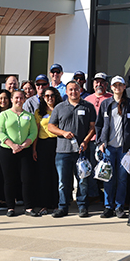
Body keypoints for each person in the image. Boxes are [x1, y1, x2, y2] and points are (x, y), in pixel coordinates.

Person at [48, 80, 98, 217]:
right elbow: (50, 126)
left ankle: (82, 206)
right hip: (62, 151)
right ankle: (63, 207)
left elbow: (92, 127)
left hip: (81, 152)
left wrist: (86, 141)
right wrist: (63, 133)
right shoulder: (59, 107)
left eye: (76, 89)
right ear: (67, 91)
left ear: (80, 90)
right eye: (70, 89)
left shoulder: (88, 106)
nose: (73, 92)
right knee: (63, 182)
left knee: (83, 180)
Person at [96, 76, 130, 218]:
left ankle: (119, 207)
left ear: (124, 87)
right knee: (108, 177)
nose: (117, 87)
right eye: (115, 85)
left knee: (122, 179)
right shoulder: (106, 104)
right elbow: (99, 125)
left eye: (120, 85)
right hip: (108, 147)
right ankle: (108, 207)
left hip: (125, 149)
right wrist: (100, 142)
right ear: (111, 87)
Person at [0, 89, 39, 217]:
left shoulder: (29, 116)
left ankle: (28, 207)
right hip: (7, 151)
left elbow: (33, 132)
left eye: (21, 98)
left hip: (24, 151)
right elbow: (0, 131)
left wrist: (26, 144)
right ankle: (10, 207)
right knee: (9, 180)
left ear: (24, 99)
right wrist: (12, 145)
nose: (19, 100)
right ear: (12, 99)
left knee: (26, 179)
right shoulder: (4, 115)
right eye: (16, 98)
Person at [33, 87, 62, 214]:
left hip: (58, 143)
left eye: (52, 95)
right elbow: (36, 131)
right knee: (43, 175)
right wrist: (34, 149)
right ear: (43, 97)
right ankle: (44, 204)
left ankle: (56, 203)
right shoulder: (39, 112)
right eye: (47, 96)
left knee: (56, 174)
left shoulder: (61, 109)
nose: (49, 98)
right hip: (43, 144)